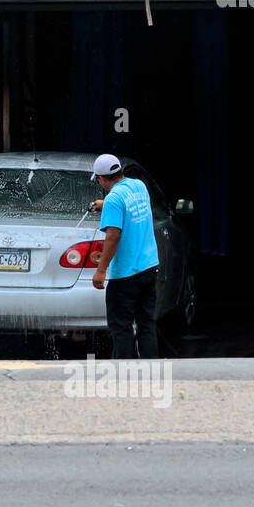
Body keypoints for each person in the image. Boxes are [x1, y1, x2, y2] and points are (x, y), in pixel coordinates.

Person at [89, 153, 159, 358]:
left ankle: (124, 373)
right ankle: (150, 370)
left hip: (126, 276)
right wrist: (105, 204)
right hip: (149, 267)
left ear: (101, 179)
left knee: (122, 327)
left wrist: (101, 270)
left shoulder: (114, 200)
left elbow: (113, 237)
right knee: (146, 323)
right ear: (119, 171)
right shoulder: (139, 186)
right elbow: (126, 206)